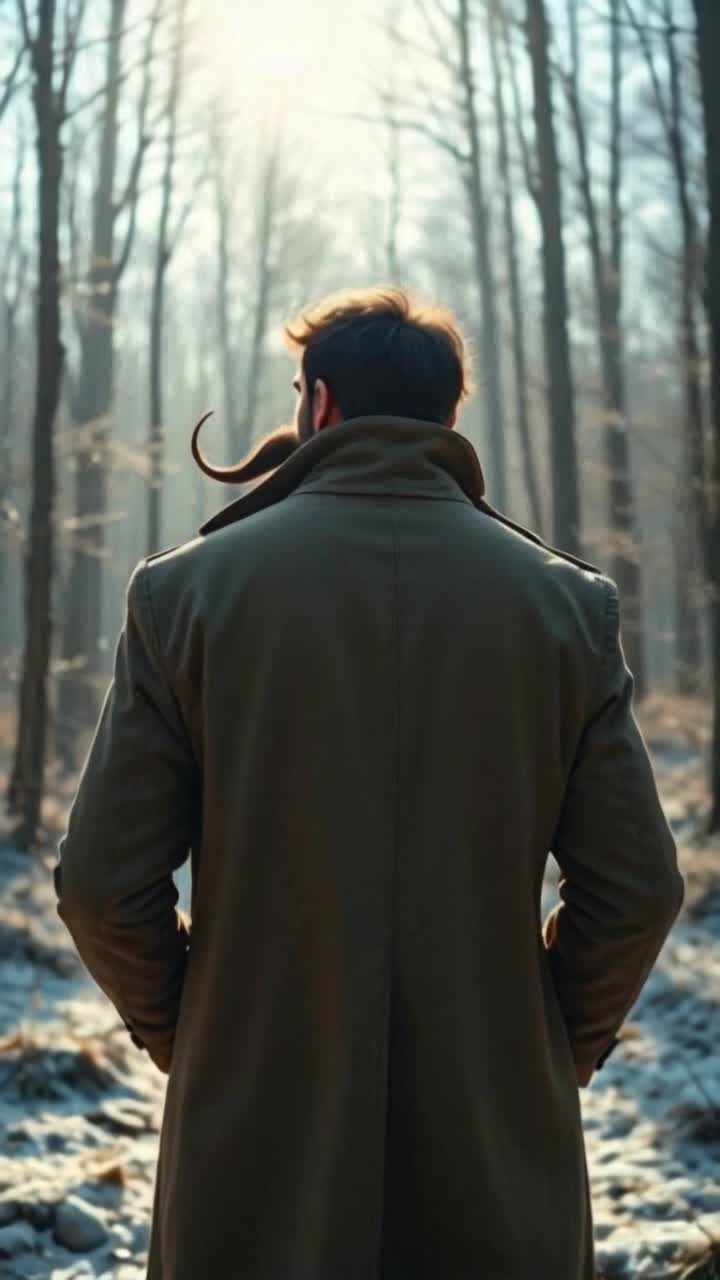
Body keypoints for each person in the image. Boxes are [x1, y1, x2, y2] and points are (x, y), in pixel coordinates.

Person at [54, 286, 684, 1280]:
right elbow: (639, 888)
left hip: (254, 1164)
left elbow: (99, 881)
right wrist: (541, 1055)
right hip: (495, 1169)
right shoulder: (567, 608)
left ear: (322, 404)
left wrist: (204, 1035)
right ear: (448, 415)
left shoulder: (186, 593)